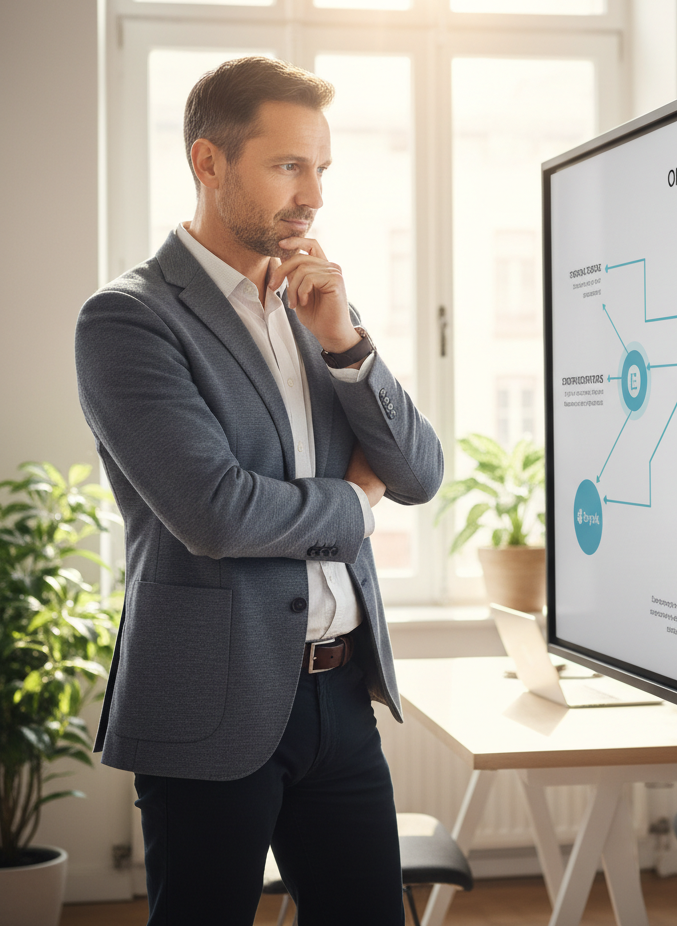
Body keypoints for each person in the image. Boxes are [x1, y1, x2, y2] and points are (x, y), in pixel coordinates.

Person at [75, 56, 442, 925]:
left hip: (340, 699)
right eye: (287, 166)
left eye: (320, 168)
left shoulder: (317, 305)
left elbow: (419, 474)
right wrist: (355, 504)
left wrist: (346, 341)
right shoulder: (129, 319)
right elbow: (217, 511)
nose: (311, 193)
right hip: (211, 705)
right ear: (209, 163)